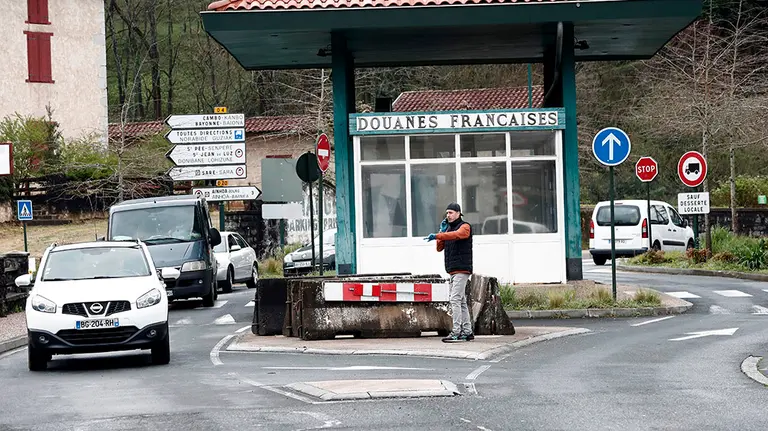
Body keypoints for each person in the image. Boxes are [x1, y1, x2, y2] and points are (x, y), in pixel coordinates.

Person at [424, 202, 474, 343]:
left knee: (455, 299)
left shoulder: (465, 226)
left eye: (451, 212)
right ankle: (467, 331)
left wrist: (439, 235)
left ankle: (457, 332)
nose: (448, 215)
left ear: (458, 213)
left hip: (462, 269)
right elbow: (440, 248)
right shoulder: (448, 230)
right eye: (447, 213)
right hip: (452, 270)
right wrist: (441, 233)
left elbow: (458, 235)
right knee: (461, 301)